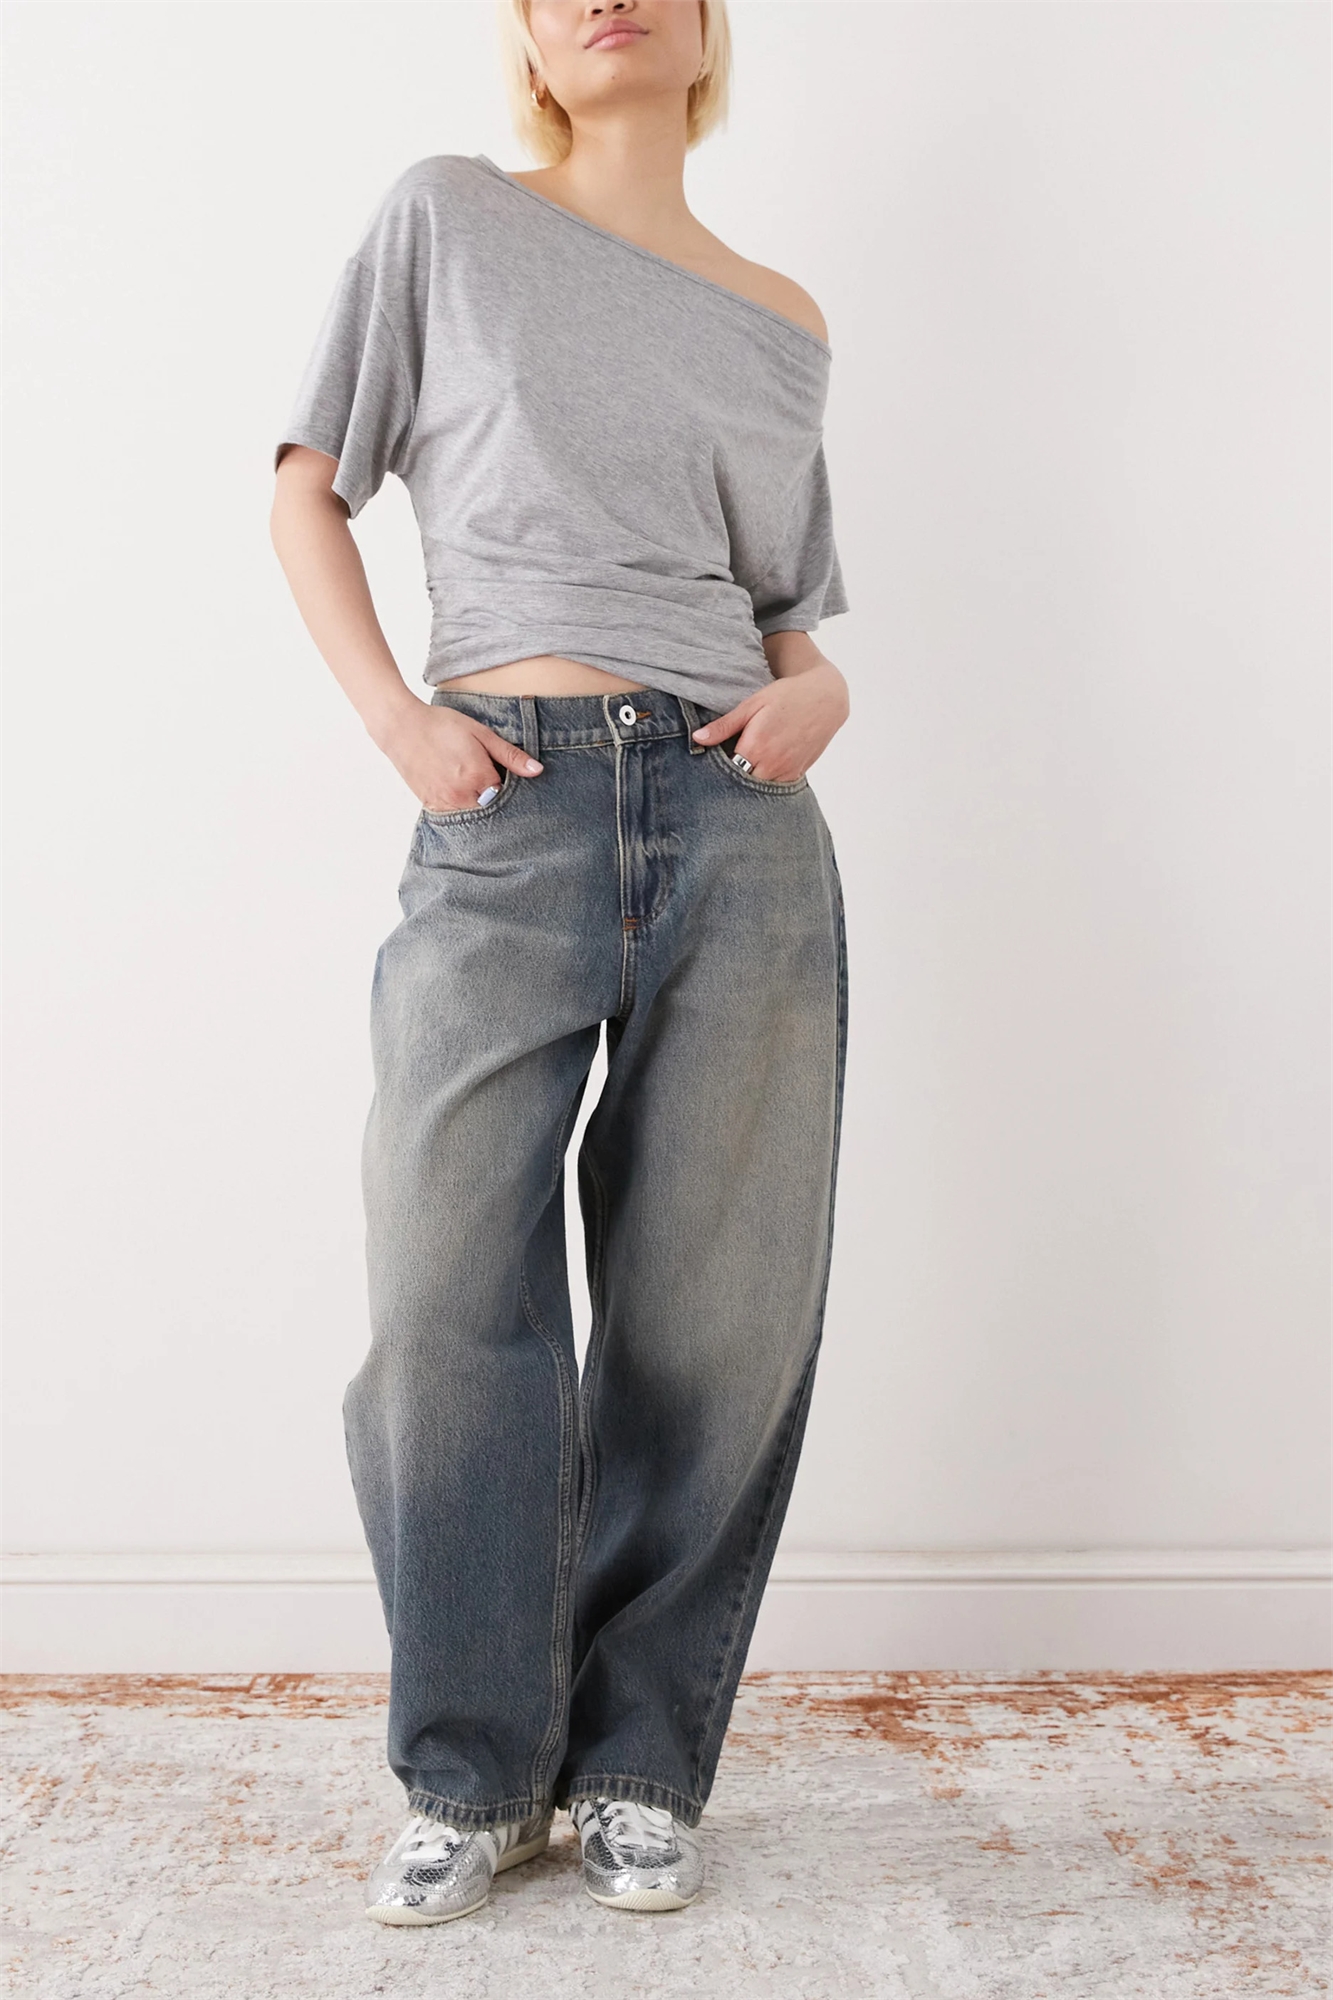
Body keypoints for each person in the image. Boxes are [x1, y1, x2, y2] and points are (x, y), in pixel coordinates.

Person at [270, 0, 850, 1925]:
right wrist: (397, 724)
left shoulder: (779, 311)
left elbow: (781, 605)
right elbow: (305, 485)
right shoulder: (447, 214)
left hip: (737, 813)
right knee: (445, 1296)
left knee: (714, 1316)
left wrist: (823, 686)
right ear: (528, 36)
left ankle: (635, 1766)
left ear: (704, 28)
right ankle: (472, 1768)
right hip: (502, 806)